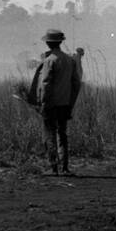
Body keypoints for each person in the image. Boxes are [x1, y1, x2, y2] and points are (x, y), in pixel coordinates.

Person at [29, 28, 83, 175]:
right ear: (60, 42)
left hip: (51, 104)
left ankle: (53, 168)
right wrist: (71, 103)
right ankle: (65, 168)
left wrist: (43, 103)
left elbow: (45, 84)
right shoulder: (69, 61)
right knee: (62, 135)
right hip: (65, 104)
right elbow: (76, 84)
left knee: (49, 135)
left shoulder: (49, 61)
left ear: (48, 43)